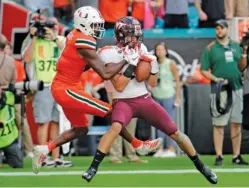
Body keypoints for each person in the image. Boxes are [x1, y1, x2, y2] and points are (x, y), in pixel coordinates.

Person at [82, 16, 217, 185]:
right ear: (121, 35)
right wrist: (131, 63)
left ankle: (202, 167)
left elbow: (151, 84)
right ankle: (93, 167)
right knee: (115, 127)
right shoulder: (108, 53)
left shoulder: (142, 48)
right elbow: (119, 86)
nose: (136, 38)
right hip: (122, 101)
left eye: (137, 33)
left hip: (144, 99)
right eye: (132, 34)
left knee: (175, 133)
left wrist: (154, 70)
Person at [32, 6, 160, 174]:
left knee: (81, 128)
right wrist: (126, 61)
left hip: (67, 86)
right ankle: (138, 145)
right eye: (94, 25)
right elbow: (106, 74)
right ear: (84, 24)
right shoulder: (84, 40)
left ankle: (44, 149)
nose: (98, 28)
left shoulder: (76, 35)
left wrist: (101, 60)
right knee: (110, 112)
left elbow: (81, 65)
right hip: (66, 89)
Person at [22, 17, 72, 167]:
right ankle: (42, 158)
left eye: (53, 26)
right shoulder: (35, 41)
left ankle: (56, 157)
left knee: (57, 122)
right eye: (48, 26)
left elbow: (69, 52)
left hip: (60, 85)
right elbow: (26, 57)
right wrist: (32, 37)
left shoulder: (61, 39)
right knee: (44, 123)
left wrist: (54, 37)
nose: (51, 29)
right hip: (44, 85)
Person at [200, 19, 248, 166]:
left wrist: (245, 52)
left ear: (227, 29)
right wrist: (216, 78)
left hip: (237, 87)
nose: (219, 31)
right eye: (217, 28)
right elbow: (203, 70)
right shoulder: (210, 48)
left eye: (221, 28)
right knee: (219, 124)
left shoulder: (236, 46)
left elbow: (242, 67)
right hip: (219, 89)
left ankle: (236, 156)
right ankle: (219, 155)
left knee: (236, 123)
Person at [5, 43, 34, 158]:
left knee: (22, 123)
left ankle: (29, 150)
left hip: (16, 98)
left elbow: (20, 83)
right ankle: (3, 149)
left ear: (11, 51)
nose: (5, 51)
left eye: (7, 49)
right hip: (1, 99)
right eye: (4, 49)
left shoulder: (17, 64)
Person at [152, 42, 180, 158]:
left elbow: (177, 81)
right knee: (159, 124)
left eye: (162, 50)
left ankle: (172, 148)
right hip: (156, 96)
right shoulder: (153, 64)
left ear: (166, 51)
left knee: (169, 123)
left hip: (168, 95)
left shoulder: (171, 63)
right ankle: (159, 148)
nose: (160, 52)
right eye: (158, 50)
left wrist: (178, 97)